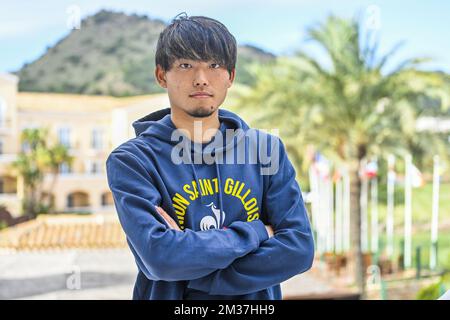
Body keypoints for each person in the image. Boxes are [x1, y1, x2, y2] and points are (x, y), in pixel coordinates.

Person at [106, 13, 314, 300]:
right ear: (161, 75)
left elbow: (298, 250)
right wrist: (257, 232)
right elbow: (160, 257)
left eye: (214, 65)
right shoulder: (133, 161)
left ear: (230, 76)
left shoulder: (265, 150)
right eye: (185, 65)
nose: (201, 79)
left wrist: (194, 269)